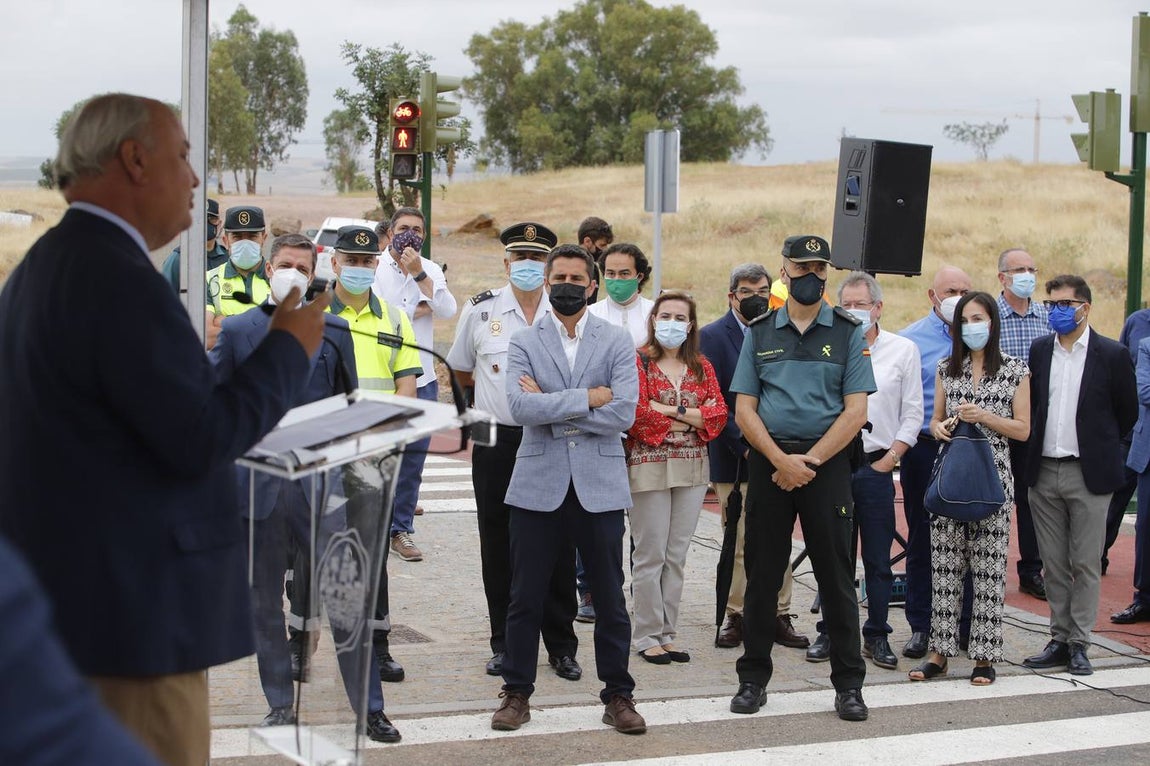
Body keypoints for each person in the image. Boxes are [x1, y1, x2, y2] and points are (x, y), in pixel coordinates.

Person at [0, 93, 329, 766]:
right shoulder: (116, 278)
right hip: (134, 625)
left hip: (84, 608)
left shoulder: (47, 265)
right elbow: (200, 437)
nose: (195, 178)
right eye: (183, 156)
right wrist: (288, 345)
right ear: (135, 158)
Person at [210, 234, 400, 743]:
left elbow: (348, 404)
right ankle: (279, 703)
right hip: (260, 486)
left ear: (316, 269)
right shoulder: (238, 330)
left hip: (321, 486)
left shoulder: (334, 329)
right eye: (284, 264)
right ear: (269, 269)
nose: (292, 271)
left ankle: (370, 707)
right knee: (263, 601)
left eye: (301, 264)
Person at [490, 244, 646, 735]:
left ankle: (618, 694)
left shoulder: (617, 340)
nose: (566, 285)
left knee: (609, 598)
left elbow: (623, 413)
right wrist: (587, 398)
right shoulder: (525, 340)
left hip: (599, 486)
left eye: (577, 279)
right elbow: (520, 408)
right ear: (546, 281)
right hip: (538, 484)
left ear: (592, 285)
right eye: (559, 277)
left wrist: (555, 404)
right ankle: (516, 692)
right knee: (525, 597)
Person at [728, 234, 875, 722]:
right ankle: (752, 680)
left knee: (836, 577)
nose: (810, 274)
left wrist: (807, 462)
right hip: (770, 463)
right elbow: (744, 409)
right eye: (801, 265)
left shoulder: (849, 331)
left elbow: (855, 412)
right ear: (784, 269)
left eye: (819, 266)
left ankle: (849, 685)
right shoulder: (760, 330)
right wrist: (779, 460)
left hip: (825, 464)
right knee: (762, 576)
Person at [446, 222, 582, 681]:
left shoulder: (567, 313)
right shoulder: (481, 311)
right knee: (499, 540)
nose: (526, 266)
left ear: (548, 268)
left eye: (535, 259)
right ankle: (503, 641)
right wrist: (477, 427)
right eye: (518, 258)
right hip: (497, 439)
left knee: (559, 541)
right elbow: (461, 372)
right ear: (505, 263)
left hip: (551, 435)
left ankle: (561, 644)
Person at [303, 224, 423, 685]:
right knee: (312, 553)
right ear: (333, 263)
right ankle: (303, 644)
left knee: (372, 557)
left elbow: (406, 382)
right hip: (322, 454)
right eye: (350, 261)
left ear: (377, 265)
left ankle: (378, 647)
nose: (358, 268)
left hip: (373, 454)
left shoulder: (394, 317)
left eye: (366, 262)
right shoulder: (309, 315)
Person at [909, 291, 1030, 686]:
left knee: (989, 572)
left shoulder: (1015, 370)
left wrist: (987, 417)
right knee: (944, 567)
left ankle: (984, 657)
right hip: (950, 479)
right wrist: (939, 428)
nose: (971, 326)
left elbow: (1023, 430)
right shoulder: (948, 368)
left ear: (993, 322)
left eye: (978, 318)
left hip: (994, 482)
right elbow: (934, 420)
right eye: (964, 320)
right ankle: (939, 653)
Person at [1020, 275, 1136, 675]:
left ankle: (1080, 642)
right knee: (1051, 563)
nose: (1057, 312)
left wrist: (1102, 450)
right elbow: (1032, 408)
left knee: (1085, 562)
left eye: (1065, 305)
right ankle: (1059, 637)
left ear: (1085, 307)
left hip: (1089, 473)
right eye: (1051, 305)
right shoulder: (1039, 351)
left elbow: (1127, 414)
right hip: (1044, 470)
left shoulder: (1112, 354)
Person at [808, 272, 921, 671]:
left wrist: (891, 458)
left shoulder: (903, 350)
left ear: (878, 307)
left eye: (862, 304)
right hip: (836, 464)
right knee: (834, 554)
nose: (856, 312)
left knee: (876, 558)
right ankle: (830, 630)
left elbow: (912, 412)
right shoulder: (826, 347)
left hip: (876, 465)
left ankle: (876, 634)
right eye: (848, 305)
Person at [701, 263, 810, 651]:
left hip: (781, 454)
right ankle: (737, 615)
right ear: (732, 296)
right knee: (741, 540)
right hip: (737, 456)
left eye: (762, 289)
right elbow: (713, 401)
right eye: (746, 291)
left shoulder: (784, 328)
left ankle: (779, 613)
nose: (755, 297)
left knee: (778, 538)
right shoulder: (711, 337)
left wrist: (778, 449)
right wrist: (748, 445)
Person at [625, 290, 727, 663]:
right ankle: (646, 634)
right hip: (648, 464)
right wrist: (691, 412)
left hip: (692, 465)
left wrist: (667, 409)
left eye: (678, 317)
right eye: (664, 315)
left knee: (676, 554)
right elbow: (636, 413)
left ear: (691, 325)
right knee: (649, 554)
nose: (671, 323)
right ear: (653, 321)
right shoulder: (639, 362)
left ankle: (669, 632)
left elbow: (717, 417)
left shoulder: (702, 367)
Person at [372, 206, 457, 562]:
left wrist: (420, 275)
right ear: (390, 233)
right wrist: (416, 308)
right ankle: (372, 525)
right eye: (404, 228)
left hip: (421, 377)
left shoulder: (431, 269)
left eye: (417, 230)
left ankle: (400, 530)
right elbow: (378, 310)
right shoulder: (373, 267)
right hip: (381, 377)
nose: (411, 234)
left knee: (412, 461)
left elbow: (447, 309)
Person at [897, 266, 972, 659]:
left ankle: (965, 626)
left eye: (964, 290)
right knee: (923, 540)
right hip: (925, 450)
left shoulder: (983, 339)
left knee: (973, 540)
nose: (957, 297)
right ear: (932, 295)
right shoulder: (910, 341)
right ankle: (922, 626)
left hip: (973, 450)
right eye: (950, 290)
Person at [995, 247, 1049, 600]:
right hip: (996, 421)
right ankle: (988, 567)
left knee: (1032, 497)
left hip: (1036, 421)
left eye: (1031, 268)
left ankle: (1032, 569)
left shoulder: (1046, 316)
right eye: (1019, 269)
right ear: (1002, 277)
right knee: (994, 496)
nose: (1027, 274)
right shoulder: (989, 316)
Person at [1102, 307, 1150, 575]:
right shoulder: (1137, 323)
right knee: (1112, 498)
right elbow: (1121, 372)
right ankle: (1096, 557)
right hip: (1134, 431)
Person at [204, 205, 271, 349]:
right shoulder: (209, 280)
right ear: (225, 240)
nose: (245, 243)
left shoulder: (279, 280)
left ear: (264, 238)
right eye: (237, 237)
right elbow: (207, 336)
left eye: (252, 236)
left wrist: (225, 322)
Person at [1118, 334, 1150, 625]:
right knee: (1145, 525)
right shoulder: (1147, 345)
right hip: (1148, 452)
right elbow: (1146, 392)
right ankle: (1144, 599)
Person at [588, 243, 654, 346]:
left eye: (624, 274)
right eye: (611, 273)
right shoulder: (590, 314)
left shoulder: (654, 313)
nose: (616, 279)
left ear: (639, 276)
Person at [159, 196, 227, 293]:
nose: (206, 224)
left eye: (212, 219)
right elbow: (165, 298)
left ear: (219, 224)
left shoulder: (226, 258)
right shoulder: (178, 259)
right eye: (200, 219)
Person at [579, 215, 614, 305]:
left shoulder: (592, 267)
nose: (606, 249)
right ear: (587, 241)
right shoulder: (580, 267)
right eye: (602, 245)